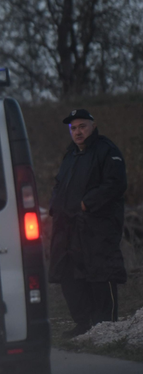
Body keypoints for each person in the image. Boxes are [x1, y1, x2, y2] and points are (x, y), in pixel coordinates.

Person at [48, 109, 127, 337]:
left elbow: (115, 184)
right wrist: (55, 205)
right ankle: (84, 324)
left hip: (98, 225)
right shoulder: (70, 154)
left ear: (93, 126)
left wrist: (86, 204)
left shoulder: (106, 150)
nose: (78, 132)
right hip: (69, 226)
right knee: (69, 273)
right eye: (73, 128)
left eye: (82, 126)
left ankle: (106, 327)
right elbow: (59, 183)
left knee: (101, 271)